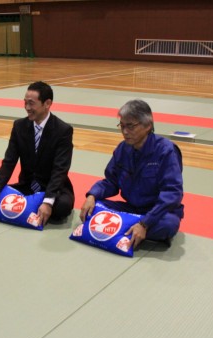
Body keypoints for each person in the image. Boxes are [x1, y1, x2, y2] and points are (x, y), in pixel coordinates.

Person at [79, 99, 184, 249]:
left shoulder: (166, 150)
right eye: (122, 126)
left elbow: (172, 193)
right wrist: (92, 195)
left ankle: (129, 227)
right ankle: (129, 229)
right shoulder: (123, 148)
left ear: (148, 125)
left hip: (158, 212)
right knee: (92, 208)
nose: (125, 132)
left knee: (168, 225)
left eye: (130, 126)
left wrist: (145, 223)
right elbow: (111, 181)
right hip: (131, 209)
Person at [0, 81, 74, 226]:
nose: (27, 108)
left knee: (62, 208)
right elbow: (9, 162)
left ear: (47, 103)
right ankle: (31, 206)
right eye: (25, 103)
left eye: (31, 103)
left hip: (53, 188)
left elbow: (60, 170)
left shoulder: (63, 130)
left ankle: (35, 205)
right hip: (27, 187)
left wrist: (48, 201)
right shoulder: (19, 126)